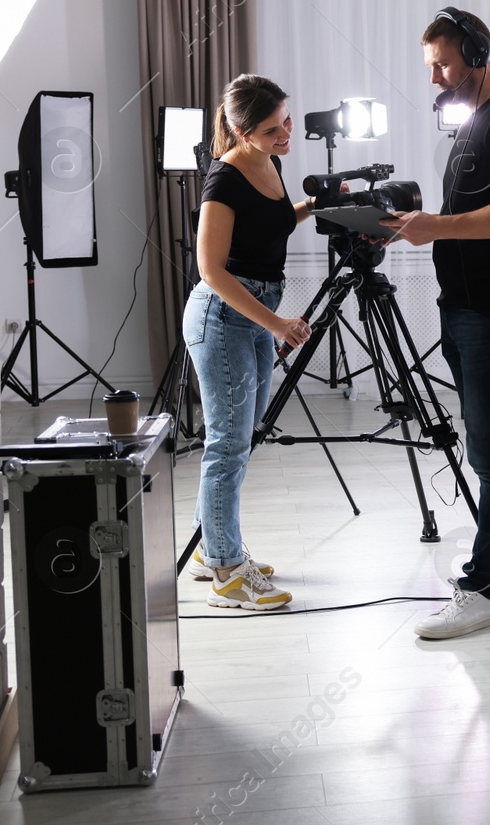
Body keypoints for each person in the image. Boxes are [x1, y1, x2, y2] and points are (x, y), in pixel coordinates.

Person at [381, 8, 490, 639]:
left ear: (477, 53)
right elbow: (475, 213)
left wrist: (440, 227)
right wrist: (422, 222)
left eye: (444, 64)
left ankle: (483, 590)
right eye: (431, 67)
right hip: (467, 306)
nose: (435, 78)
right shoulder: (473, 121)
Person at [183, 74, 319, 610]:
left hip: (254, 315)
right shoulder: (225, 179)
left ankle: (210, 545)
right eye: (273, 128)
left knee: (242, 436)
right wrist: (278, 323)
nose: (287, 132)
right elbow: (212, 271)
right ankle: (226, 570)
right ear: (241, 132)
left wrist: (318, 206)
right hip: (224, 317)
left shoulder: (271, 162)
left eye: (287, 119)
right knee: (228, 442)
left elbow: (275, 222)